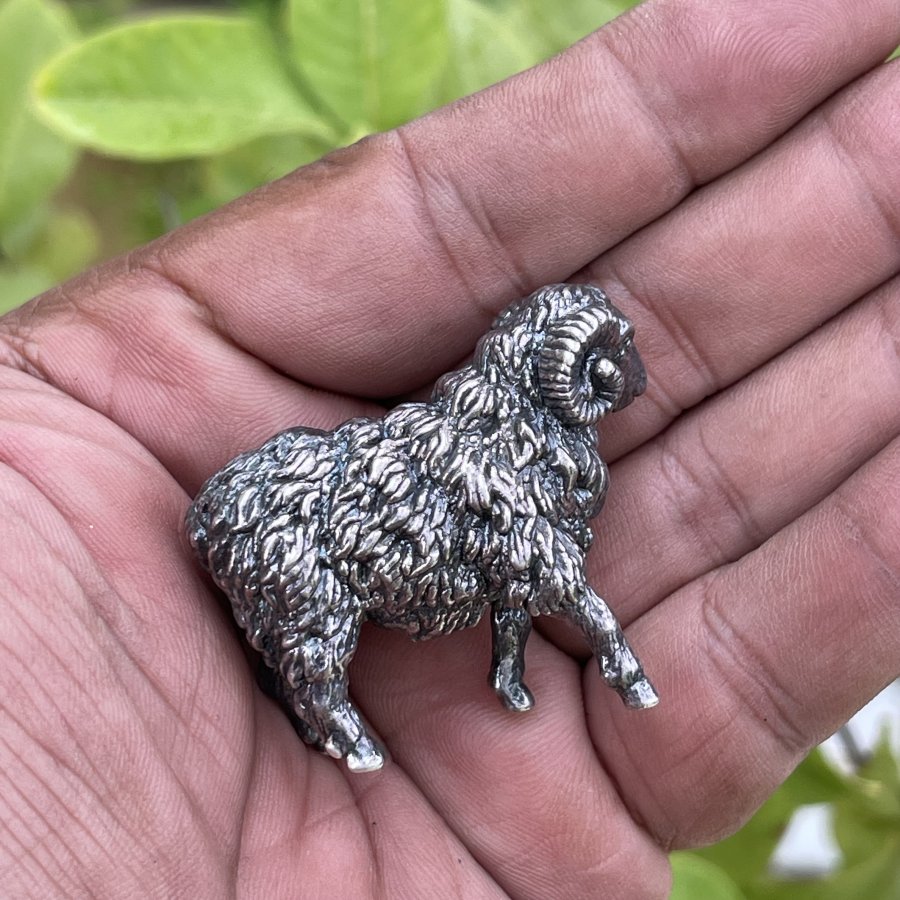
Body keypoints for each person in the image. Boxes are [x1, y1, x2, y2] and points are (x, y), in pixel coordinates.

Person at [0, 0, 898, 895]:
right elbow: (543, 568)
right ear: (552, 374)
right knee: (320, 620)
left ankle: (440, 680)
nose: (628, 380)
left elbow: (529, 566)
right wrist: (612, 647)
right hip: (301, 525)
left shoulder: (540, 457)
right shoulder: (491, 462)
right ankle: (337, 713)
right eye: (608, 364)